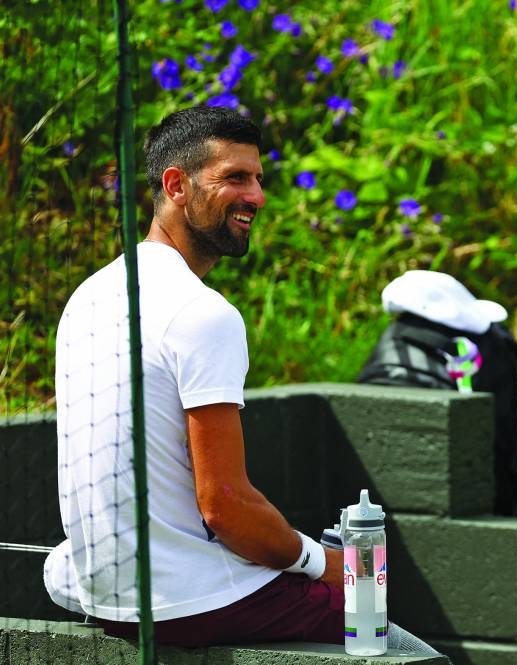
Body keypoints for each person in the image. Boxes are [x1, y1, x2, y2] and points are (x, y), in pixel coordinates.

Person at [44, 106, 346, 646]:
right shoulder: (202, 314)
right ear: (176, 185)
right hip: (184, 602)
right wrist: (321, 560)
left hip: (103, 594)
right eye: (234, 177)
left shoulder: (87, 297)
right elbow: (226, 505)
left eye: (257, 179)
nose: (256, 196)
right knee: (368, 603)